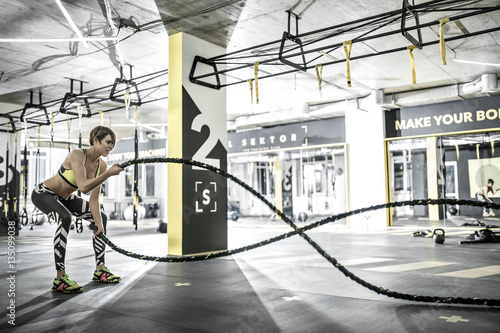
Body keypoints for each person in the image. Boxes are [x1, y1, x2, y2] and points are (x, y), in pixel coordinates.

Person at [31, 126, 124, 293]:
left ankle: (100, 270)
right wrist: (109, 173)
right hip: (44, 193)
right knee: (65, 218)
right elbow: (83, 188)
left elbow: (94, 199)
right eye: (108, 142)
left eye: (113, 144)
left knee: (101, 217)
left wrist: (98, 224)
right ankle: (60, 279)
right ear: (96, 140)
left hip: (66, 198)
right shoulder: (77, 155)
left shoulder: (101, 166)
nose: (111, 147)